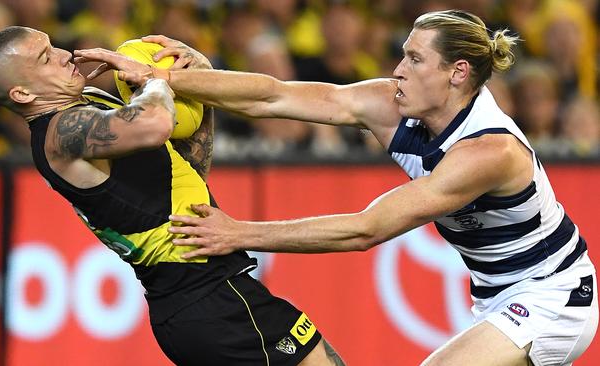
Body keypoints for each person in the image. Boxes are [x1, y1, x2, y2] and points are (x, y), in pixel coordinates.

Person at [74, 10, 598, 366]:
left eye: (415, 60)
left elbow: (364, 229)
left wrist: (238, 233)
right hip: (496, 295)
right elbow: (273, 97)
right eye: (403, 54)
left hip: (555, 297)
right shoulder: (394, 103)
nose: (398, 70)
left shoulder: (489, 152)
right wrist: (160, 78)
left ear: (458, 73)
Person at [0, 26, 344, 366]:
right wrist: (155, 79)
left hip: (210, 296)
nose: (65, 55)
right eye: (45, 58)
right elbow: (154, 123)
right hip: (207, 302)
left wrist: (199, 79)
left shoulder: (87, 104)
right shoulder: (60, 134)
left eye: (53, 46)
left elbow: (187, 174)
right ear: (22, 93)